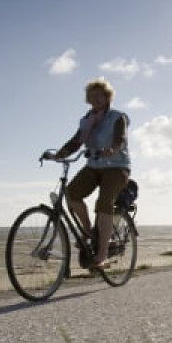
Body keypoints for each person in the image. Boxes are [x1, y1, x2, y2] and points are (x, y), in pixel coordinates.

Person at [45, 79, 131, 270]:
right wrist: (58, 155)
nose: (95, 99)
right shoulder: (87, 120)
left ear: (107, 97)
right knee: (71, 193)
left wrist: (113, 149)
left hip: (117, 167)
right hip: (93, 165)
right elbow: (76, 141)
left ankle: (102, 255)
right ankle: (88, 230)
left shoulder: (118, 117)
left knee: (103, 204)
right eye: (91, 96)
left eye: (99, 95)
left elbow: (121, 139)